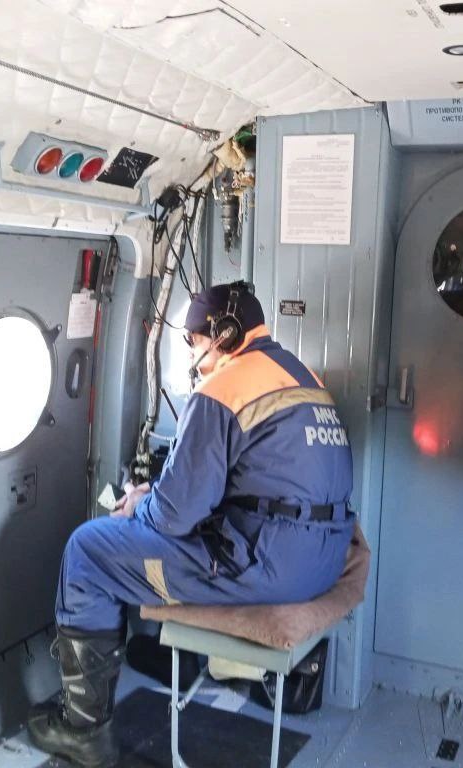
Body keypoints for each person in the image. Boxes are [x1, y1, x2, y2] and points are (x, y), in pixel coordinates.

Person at [28, 281, 356, 766]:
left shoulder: (222, 388)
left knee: (88, 550)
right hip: (323, 562)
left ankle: (84, 730)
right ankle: (151, 656)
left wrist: (137, 504)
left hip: (269, 567)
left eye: (193, 339)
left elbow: (172, 517)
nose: (190, 351)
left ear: (223, 333)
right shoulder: (301, 375)